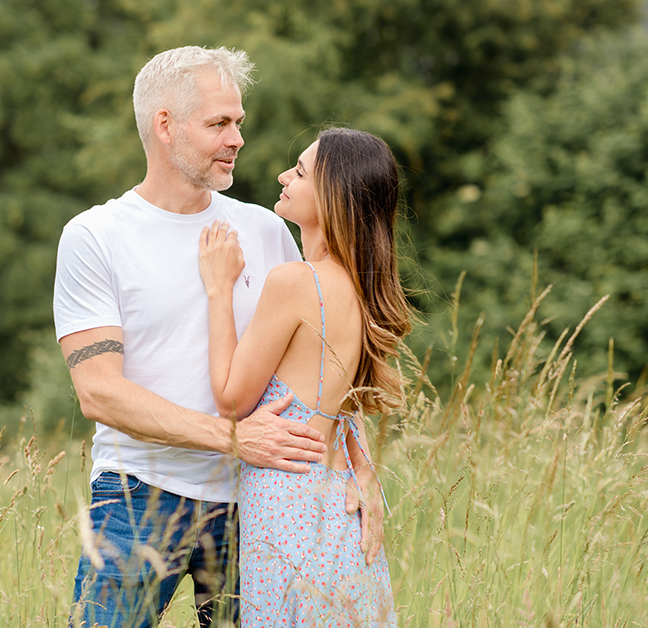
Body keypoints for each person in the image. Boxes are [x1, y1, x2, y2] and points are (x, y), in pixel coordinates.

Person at [54, 47, 382, 628]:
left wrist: (362, 469)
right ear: (164, 125)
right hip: (136, 497)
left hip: (254, 507)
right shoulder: (95, 236)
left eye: (239, 123)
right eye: (218, 124)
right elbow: (98, 394)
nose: (237, 139)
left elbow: (320, 365)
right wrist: (232, 438)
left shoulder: (263, 226)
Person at [198, 127, 412, 626]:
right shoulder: (361, 288)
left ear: (333, 195)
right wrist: (364, 469)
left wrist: (218, 289)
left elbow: (232, 401)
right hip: (338, 504)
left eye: (299, 172)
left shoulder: (296, 282)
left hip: (286, 497)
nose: (282, 176)